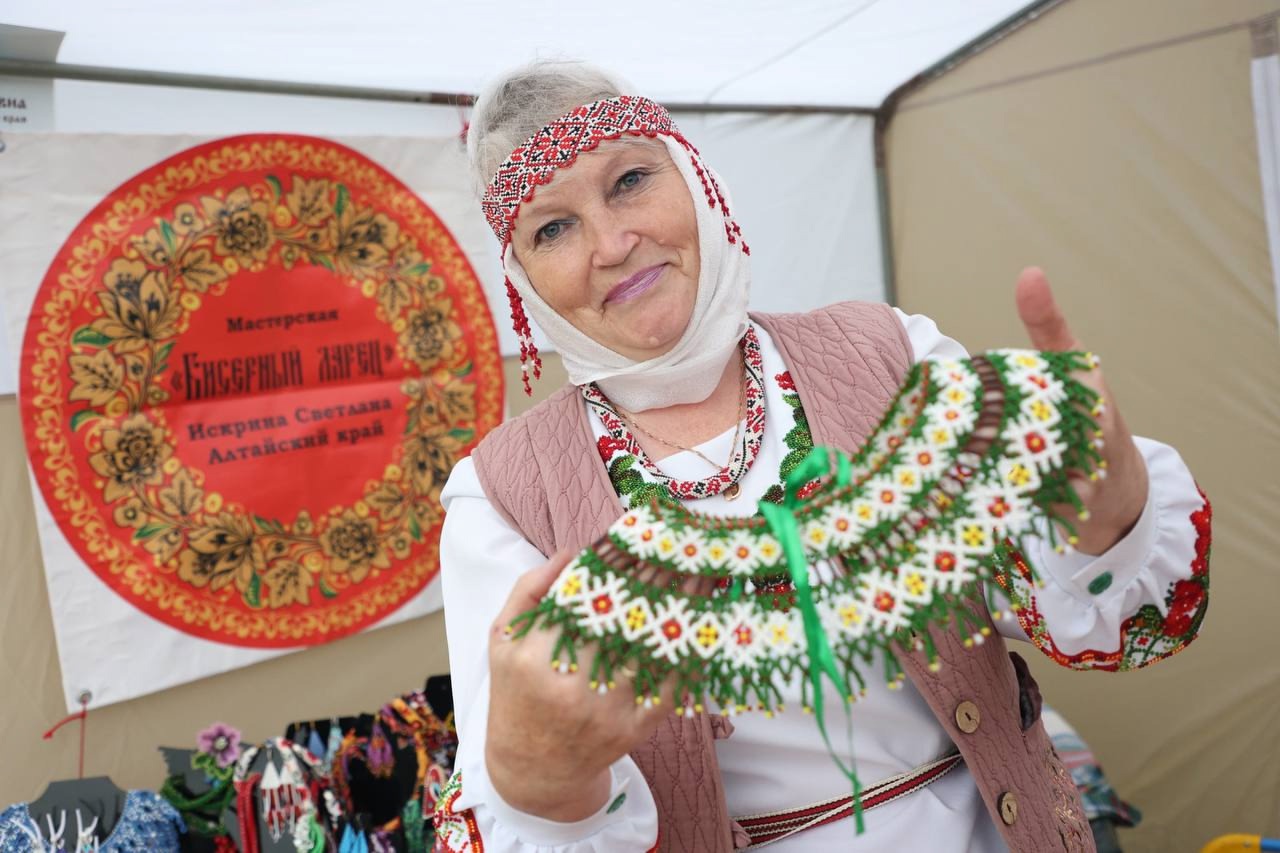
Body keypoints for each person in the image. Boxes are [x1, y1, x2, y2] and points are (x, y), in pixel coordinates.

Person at [433, 60, 1210, 853]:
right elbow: (520, 798)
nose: (612, 244)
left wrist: (1106, 517)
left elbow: (1074, 597)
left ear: (696, 179)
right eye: (552, 229)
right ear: (522, 279)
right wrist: (539, 779)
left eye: (630, 180)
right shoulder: (500, 501)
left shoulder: (888, 354)